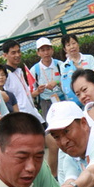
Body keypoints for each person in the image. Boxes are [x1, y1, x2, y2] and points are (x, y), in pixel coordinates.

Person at [30, 37, 65, 177]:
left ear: (52, 49)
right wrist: (37, 91)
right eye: (42, 50)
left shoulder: (60, 65)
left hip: (62, 100)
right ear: (38, 52)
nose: (46, 52)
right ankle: (54, 174)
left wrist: (57, 82)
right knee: (54, 137)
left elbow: (67, 82)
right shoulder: (35, 70)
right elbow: (30, 93)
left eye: (48, 49)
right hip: (46, 104)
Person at [2, 39, 44, 122]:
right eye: (13, 53)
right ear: (5, 55)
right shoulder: (4, 75)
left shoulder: (19, 71)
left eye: (18, 51)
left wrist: (37, 92)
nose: (17, 55)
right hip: (22, 117)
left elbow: (23, 95)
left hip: (33, 113)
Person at [59, 34, 94, 105]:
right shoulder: (64, 66)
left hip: (93, 94)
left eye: (74, 43)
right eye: (68, 45)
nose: (72, 47)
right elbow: (65, 83)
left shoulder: (89, 58)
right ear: (65, 49)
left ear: (78, 44)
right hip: (76, 100)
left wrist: (80, 68)